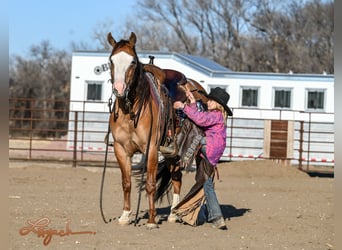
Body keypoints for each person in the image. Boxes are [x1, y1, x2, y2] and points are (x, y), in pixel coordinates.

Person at [172, 87, 233, 230]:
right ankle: (212, 216)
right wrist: (192, 103)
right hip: (211, 150)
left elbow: (200, 119)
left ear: (219, 105)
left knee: (193, 130)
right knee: (206, 182)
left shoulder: (216, 115)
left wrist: (184, 106)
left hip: (209, 148)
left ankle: (178, 149)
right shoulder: (217, 116)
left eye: (212, 100)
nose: (209, 102)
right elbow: (200, 116)